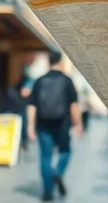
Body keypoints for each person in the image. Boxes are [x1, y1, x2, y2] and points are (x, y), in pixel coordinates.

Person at [27, 52, 83, 201]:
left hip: (43, 124)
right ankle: (57, 173)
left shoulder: (39, 81)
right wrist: (78, 124)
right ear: (61, 62)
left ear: (48, 63)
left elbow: (31, 106)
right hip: (62, 124)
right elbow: (74, 106)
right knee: (65, 151)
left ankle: (47, 192)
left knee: (46, 156)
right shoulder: (67, 81)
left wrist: (30, 127)